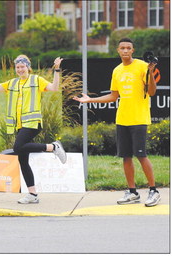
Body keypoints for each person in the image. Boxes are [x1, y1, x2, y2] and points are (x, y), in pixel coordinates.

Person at [73, 37, 160, 207]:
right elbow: (113, 96)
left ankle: (153, 191)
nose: (126, 50)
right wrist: (90, 100)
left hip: (139, 119)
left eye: (128, 48)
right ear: (118, 50)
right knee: (126, 157)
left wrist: (150, 73)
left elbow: (151, 92)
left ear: (133, 50)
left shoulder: (143, 66)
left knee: (141, 156)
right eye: (123, 48)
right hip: (122, 119)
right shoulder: (117, 70)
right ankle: (133, 192)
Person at [0, 55, 67, 204]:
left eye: (23, 66)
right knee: (23, 159)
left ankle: (53, 147)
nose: (20, 69)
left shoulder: (36, 80)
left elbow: (54, 88)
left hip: (33, 123)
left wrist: (57, 70)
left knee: (18, 147)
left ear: (28, 67)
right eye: (17, 67)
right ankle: (32, 194)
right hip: (19, 125)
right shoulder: (13, 83)